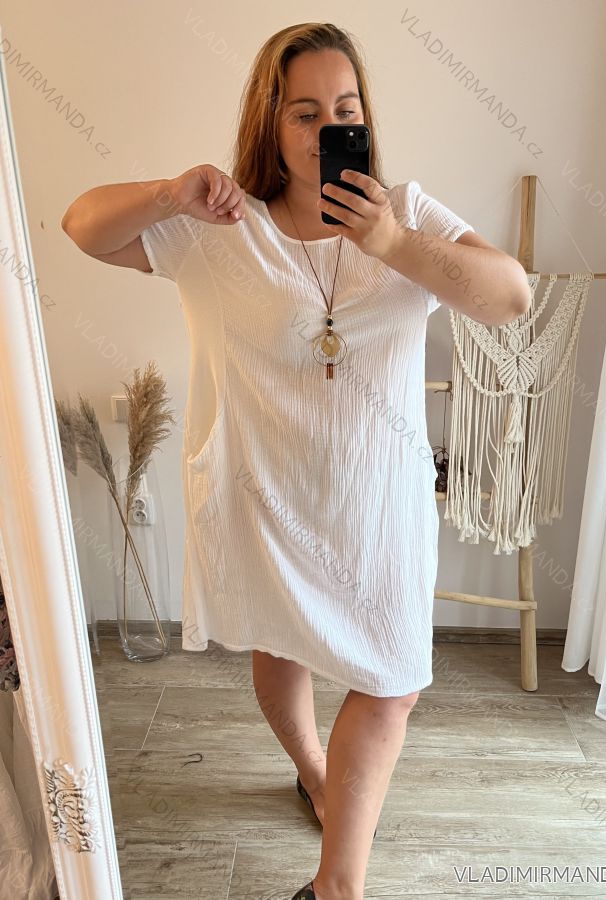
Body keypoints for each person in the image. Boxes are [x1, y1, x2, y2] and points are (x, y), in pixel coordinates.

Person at [61, 22, 530, 900]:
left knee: (393, 685)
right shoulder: (222, 226)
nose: (328, 130)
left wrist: (391, 245)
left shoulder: (406, 213)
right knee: (279, 642)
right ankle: (316, 776)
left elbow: (511, 297)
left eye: (345, 110)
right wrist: (169, 193)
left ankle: (335, 882)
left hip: (380, 507)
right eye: (305, 113)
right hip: (263, 498)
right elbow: (81, 225)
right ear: (270, 126)